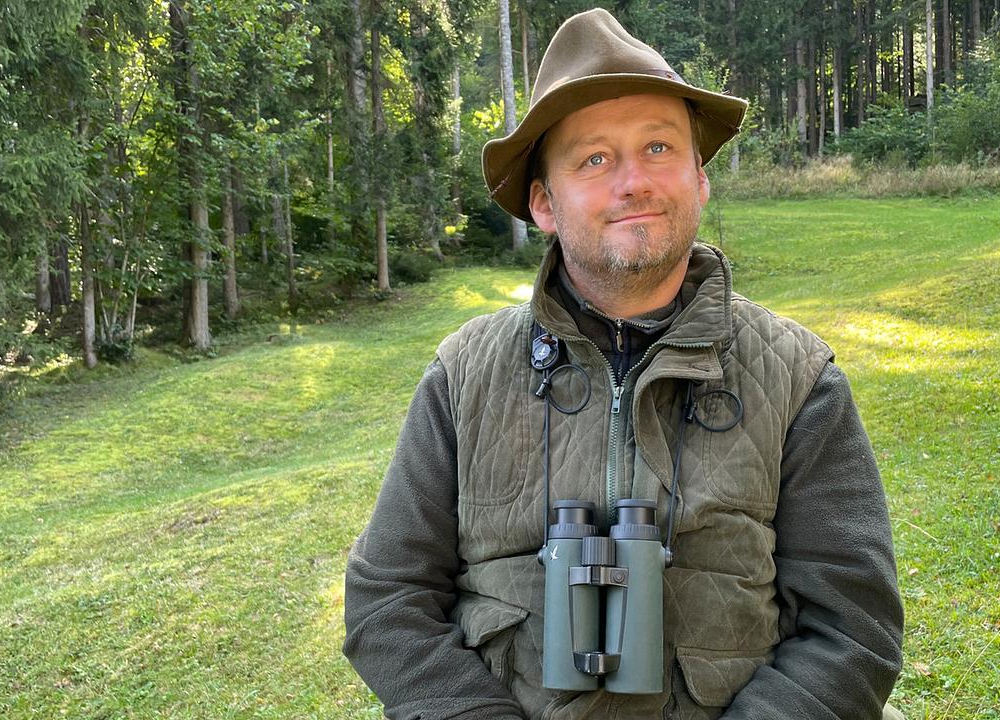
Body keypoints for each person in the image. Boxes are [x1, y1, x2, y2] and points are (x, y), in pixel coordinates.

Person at [343, 8, 903, 719]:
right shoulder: (464, 375)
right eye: (595, 159)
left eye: (660, 148)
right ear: (544, 203)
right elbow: (385, 600)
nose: (633, 182)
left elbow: (854, 628)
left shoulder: (798, 378)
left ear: (699, 179)